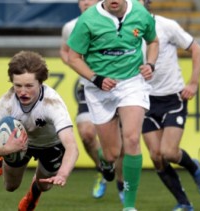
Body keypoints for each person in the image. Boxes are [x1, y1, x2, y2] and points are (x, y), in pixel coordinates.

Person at [67, 0, 159, 210]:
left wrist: (150, 64)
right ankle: (105, 164)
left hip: (132, 82)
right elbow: (73, 58)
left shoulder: (140, 13)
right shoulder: (88, 20)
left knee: (132, 139)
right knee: (111, 154)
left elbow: (153, 41)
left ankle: (129, 205)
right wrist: (96, 78)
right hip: (100, 88)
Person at [0, 51, 79, 211]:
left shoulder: (52, 104)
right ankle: (2, 158)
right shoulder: (5, 104)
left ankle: (33, 194)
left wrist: (63, 174)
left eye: (29, 86)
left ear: (41, 83)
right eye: (17, 85)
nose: (23, 91)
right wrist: (5, 149)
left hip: (51, 144)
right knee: (10, 187)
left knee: (44, 186)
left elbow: (72, 147)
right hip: (18, 144)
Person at [138, 0, 200, 210]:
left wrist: (194, 82)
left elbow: (197, 50)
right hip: (144, 100)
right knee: (157, 157)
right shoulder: (123, 31)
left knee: (169, 152)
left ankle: (193, 166)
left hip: (172, 98)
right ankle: (184, 203)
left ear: (146, 2)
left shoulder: (166, 25)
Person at [60, 0, 124, 201]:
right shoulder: (71, 26)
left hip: (118, 88)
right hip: (89, 88)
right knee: (87, 134)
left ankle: (122, 185)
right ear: (78, 4)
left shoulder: (116, 22)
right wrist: (75, 63)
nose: (87, 2)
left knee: (119, 141)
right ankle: (102, 168)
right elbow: (65, 51)